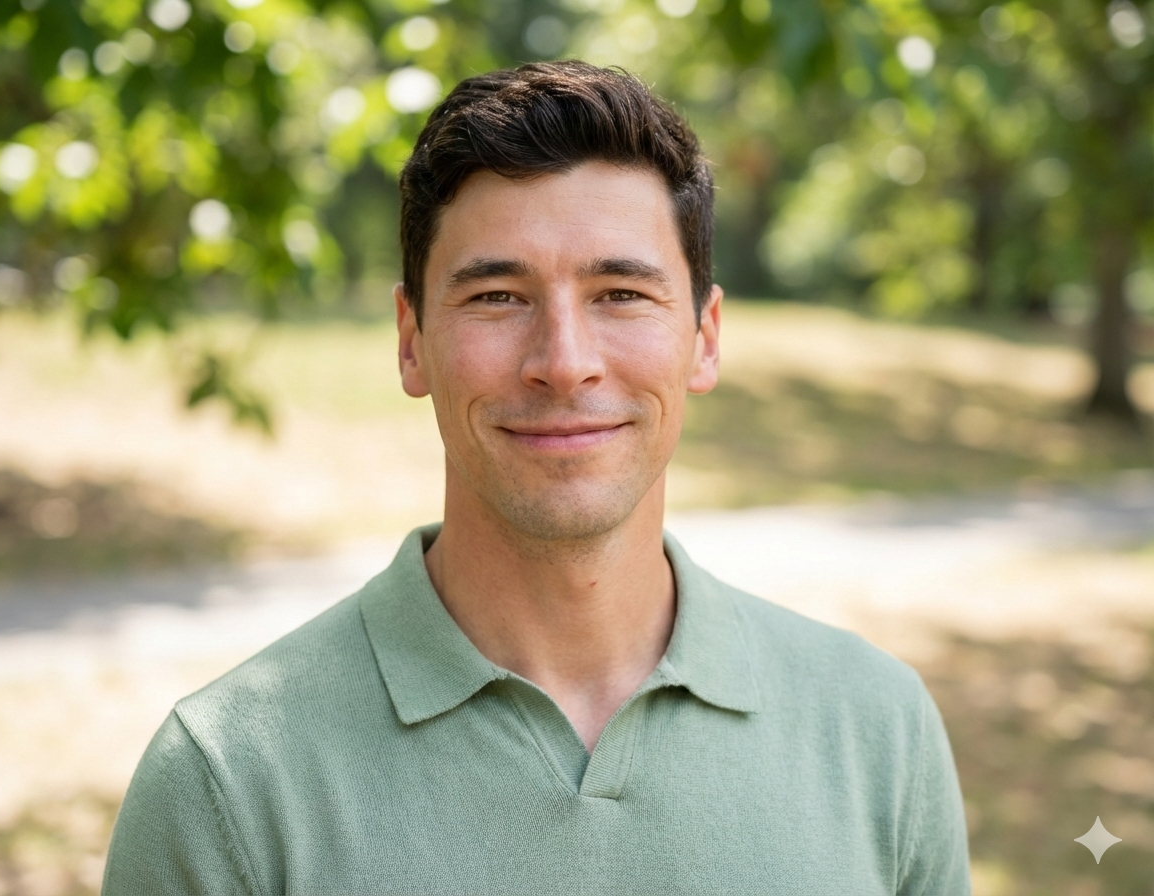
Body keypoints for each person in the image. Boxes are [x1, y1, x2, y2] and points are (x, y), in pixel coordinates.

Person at [103, 61, 971, 895]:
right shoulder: (225, 780)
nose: (563, 362)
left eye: (621, 293)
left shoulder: (878, 730)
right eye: (497, 297)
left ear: (704, 338)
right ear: (411, 341)